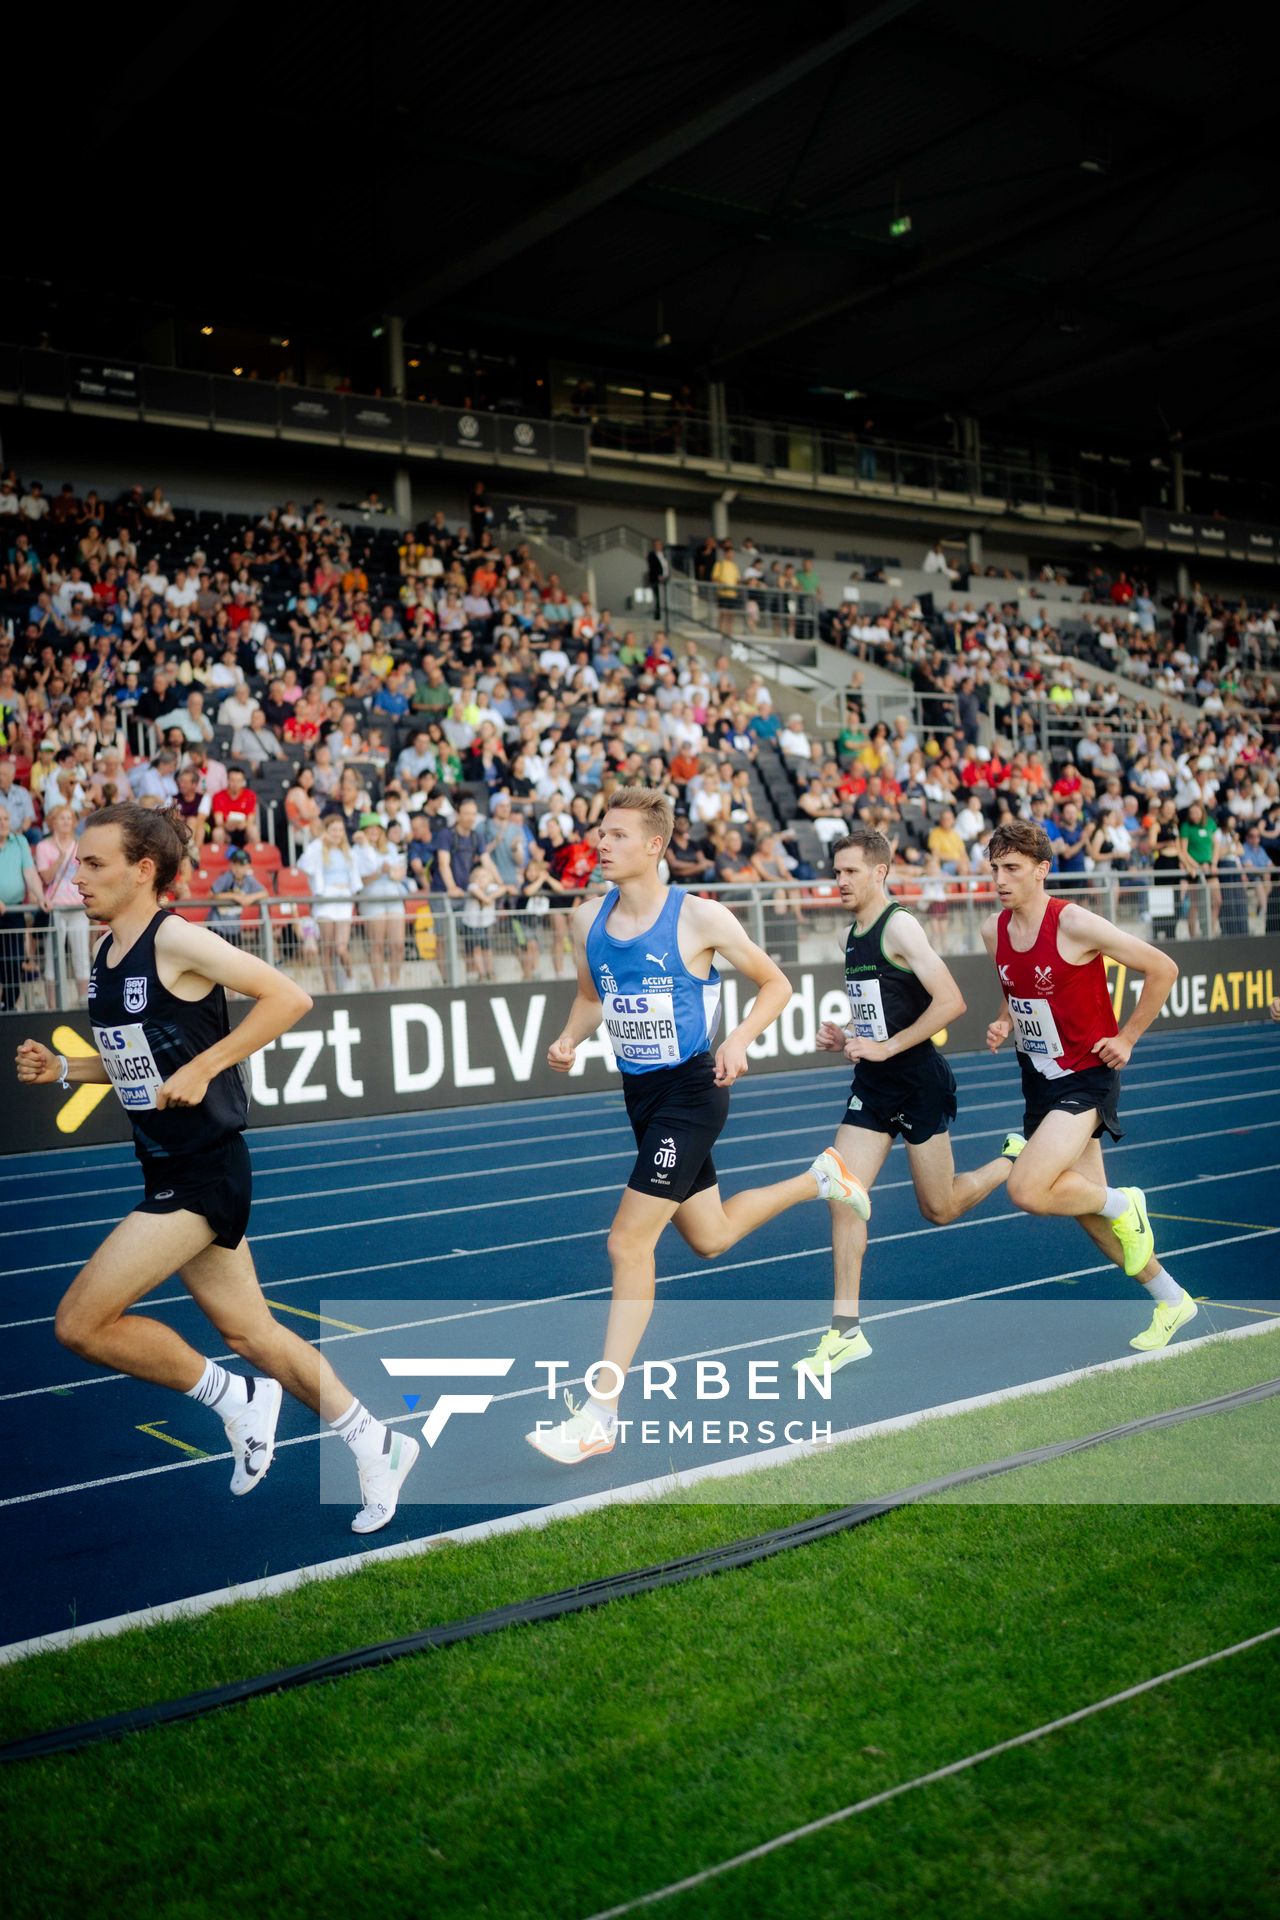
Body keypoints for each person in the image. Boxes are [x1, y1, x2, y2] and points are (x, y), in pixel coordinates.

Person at [14, 802, 418, 1533]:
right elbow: (137, 1062)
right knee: (254, 1333)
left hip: (203, 1173)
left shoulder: (178, 940)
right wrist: (67, 1069)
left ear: (144, 871)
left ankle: (236, 1400)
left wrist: (207, 1065)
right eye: (78, 862)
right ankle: (377, 1442)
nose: (78, 876)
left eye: (95, 863)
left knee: (78, 1322)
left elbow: (289, 996)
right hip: (166, 1165)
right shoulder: (106, 955)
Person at [525, 787, 870, 1465]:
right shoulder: (586, 919)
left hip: (692, 1091)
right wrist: (569, 1039)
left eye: (618, 834)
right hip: (640, 1097)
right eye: (602, 831)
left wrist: (738, 1039)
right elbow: (593, 997)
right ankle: (820, 1177)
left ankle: (601, 1413)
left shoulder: (700, 918)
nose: (602, 843)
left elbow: (775, 984)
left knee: (628, 1243)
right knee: (709, 1237)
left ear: (655, 846)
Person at [796, 829, 1022, 1377]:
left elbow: (952, 1001)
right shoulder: (853, 934)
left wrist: (887, 1046)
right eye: (836, 872)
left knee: (939, 1208)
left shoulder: (900, 925)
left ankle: (1013, 1159)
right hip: (874, 1086)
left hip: (917, 1081)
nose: (839, 880)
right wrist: (846, 1035)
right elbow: (883, 1012)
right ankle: (845, 1329)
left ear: (879, 872)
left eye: (850, 871)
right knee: (843, 1192)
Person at [981, 818, 1191, 1351]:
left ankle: (1127, 1204)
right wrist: (1007, 1019)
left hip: (1087, 1075)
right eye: (995, 869)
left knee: (1028, 1190)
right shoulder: (993, 930)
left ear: (1042, 871)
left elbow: (1162, 967)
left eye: (1012, 869)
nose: (1000, 880)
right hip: (1038, 1078)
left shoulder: (1073, 923)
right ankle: (1172, 1299)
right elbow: (1015, 983)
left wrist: (1129, 1037)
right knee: (1085, 1209)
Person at [36, 803, 91, 1007]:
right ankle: (52, 1005)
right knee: (52, 957)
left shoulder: (80, 845)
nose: (66, 822)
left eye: (70, 818)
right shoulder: (44, 847)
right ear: (52, 822)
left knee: (81, 955)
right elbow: (46, 877)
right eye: (62, 818)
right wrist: (59, 859)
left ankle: (83, 1001)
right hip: (56, 909)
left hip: (77, 907)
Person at [297, 815, 361, 991]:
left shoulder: (349, 852)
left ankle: (350, 978)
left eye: (340, 830)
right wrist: (319, 842)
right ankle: (330, 988)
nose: (337, 834)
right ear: (326, 831)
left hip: (343, 902)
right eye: (333, 830)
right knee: (327, 948)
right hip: (325, 902)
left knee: (341, 947)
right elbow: (303, 864)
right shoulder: (318, 849)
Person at [0, 800, 45, 1011]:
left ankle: (10, 1006)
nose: (3, 823)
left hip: (13, 912)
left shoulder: (19, 841)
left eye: (6, 819)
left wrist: (41, 896)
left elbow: (30, 873)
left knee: (14, 961)